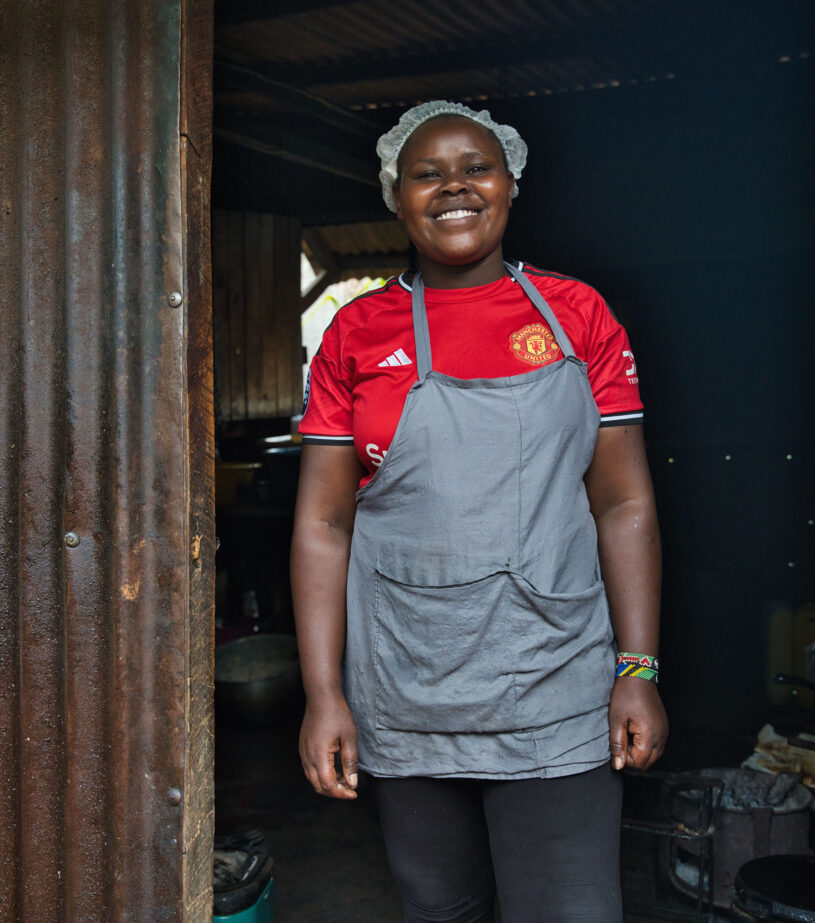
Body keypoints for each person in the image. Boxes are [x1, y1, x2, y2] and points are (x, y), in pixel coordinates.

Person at [292, 100, 668, 922]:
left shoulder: (578, 316)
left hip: (554, 682)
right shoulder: (356, 332)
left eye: (476, 168)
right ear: (396, 196)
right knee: (442, 909)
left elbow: (622, 500)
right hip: (409, 687)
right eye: (426, 173)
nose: (453, 187)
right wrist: (325, 692)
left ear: (510, 184)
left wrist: (637, 668)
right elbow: (324, 524)